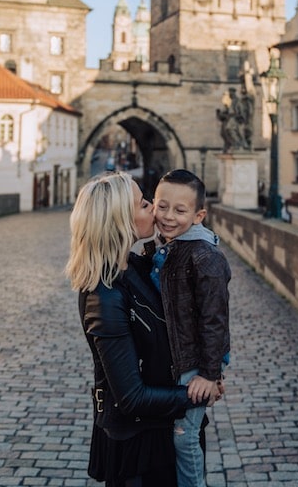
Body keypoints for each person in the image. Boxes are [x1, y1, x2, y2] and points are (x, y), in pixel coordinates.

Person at [65, 171, 220, 487]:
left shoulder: (139, 267)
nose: (156, 209)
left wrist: (210, 371)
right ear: (121, 219)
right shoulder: (103, 295)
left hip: (165, 430)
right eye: (145, 204)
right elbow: (131, 397)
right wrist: (197, 395)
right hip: (138, 447)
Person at [151, 169, 231, 487]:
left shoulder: (204, 256)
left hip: (194, 364)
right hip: (183, 358)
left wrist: (210, 375)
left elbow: (215, 321)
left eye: (180, 210)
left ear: (199, 215)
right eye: (162, 206)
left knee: (185, 439)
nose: (168, 216)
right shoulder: (169, 246)